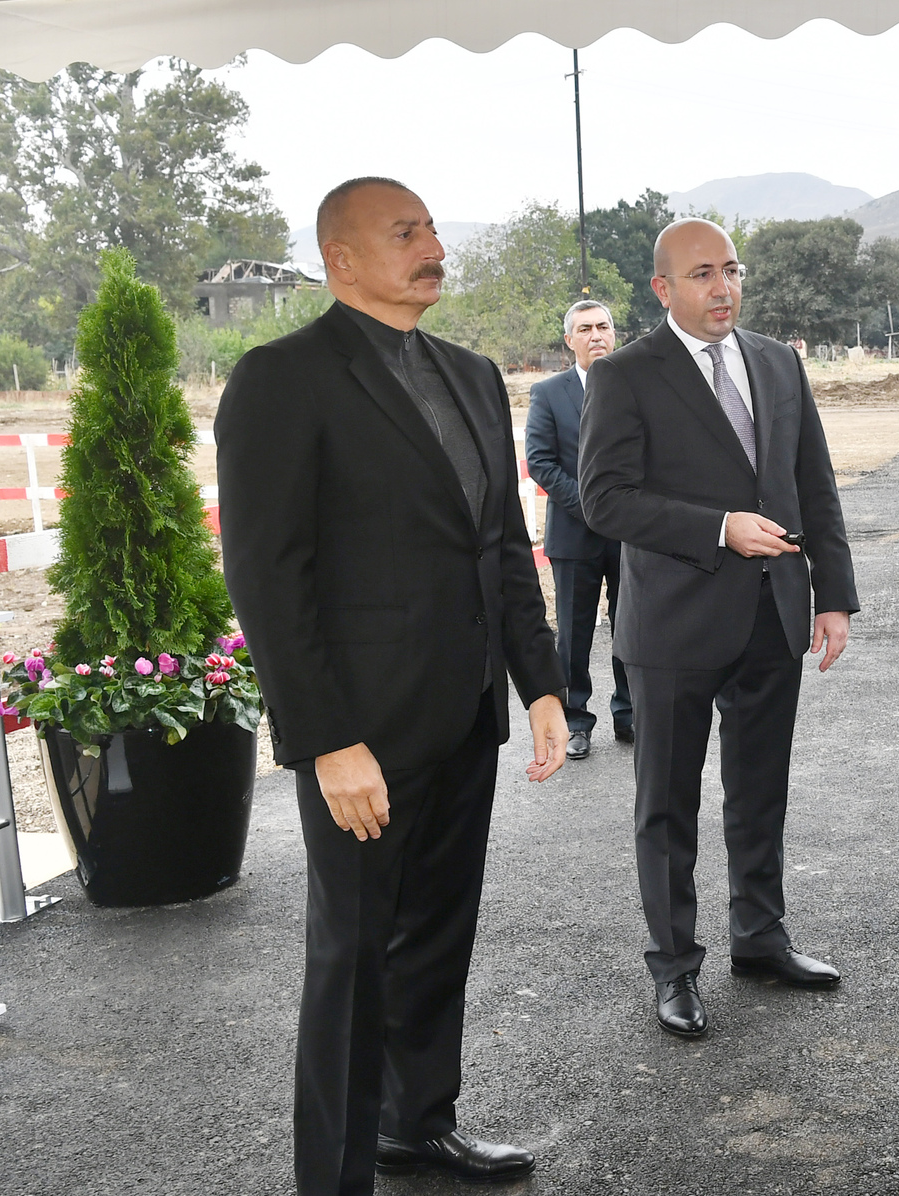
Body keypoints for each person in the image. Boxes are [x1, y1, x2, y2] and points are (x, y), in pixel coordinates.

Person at [216, 176, 568, 1195]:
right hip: (362, 731)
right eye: (405, 232)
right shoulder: (282, 379)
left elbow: (499, 544)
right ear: (342, 259)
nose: (432, 247)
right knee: (353, 957)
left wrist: (540, 684)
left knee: (438, 939)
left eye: (432, 229)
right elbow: (268, 575)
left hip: (464, 714)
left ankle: (417, 1125)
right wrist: (327, 739)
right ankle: (333, 1177)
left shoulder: (471, 374)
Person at [578, 218, 859, 1040]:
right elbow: (605, 500)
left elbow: (813, 482)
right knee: (666, 806)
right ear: (663, 288)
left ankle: (760, 938)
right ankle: (674, 967)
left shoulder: (777, 362)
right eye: (703, 274)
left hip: (774, 614)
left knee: (760, 791)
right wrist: (719, 528)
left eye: (731, 270)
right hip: (673, 627)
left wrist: (833, 595)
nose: (723, 287)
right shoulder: (625, 375)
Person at [526, 300, 630, 760]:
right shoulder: (549, 393)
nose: (596, 335)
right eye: (585, 328)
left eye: (603, 326)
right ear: (570, 340)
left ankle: (629, 714)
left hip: (630, 533)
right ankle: (575, 721)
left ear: (614, 334)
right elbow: (541, 462)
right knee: (573, 635)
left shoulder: (636, 386)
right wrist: (593, 508)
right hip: (575, 533)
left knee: (631, 626)